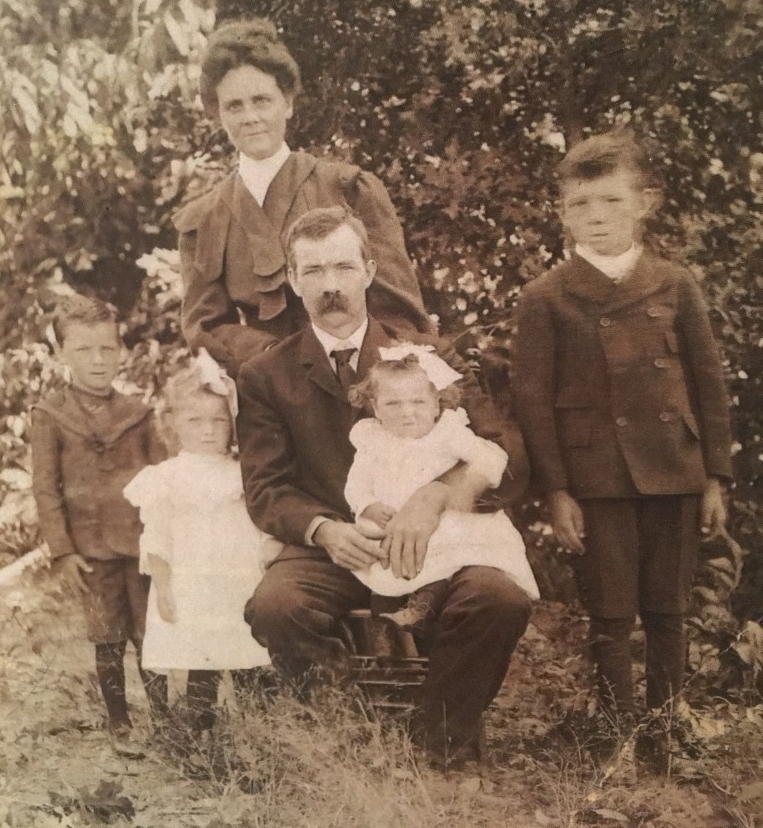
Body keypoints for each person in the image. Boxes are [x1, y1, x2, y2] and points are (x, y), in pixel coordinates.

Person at [237, 206, 533, 770]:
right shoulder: (266, 375)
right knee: (276, 606)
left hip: (438, 540)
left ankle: (438, 741)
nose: (330, 285)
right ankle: (351, 736)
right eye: (314, 271)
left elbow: (507, 449)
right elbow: (266, 487)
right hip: (335, 547)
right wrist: (324, 530)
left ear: (370, 271)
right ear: (293, 281)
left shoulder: (429, 356)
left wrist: (438, 494)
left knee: (499, 598)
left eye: (343, 267)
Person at [511, 130, 733, 777]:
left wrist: (715, 476)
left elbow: (708, 383)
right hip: (597, 478)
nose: (597, 217)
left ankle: (661, 743)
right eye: (581, 204)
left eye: (611, 201)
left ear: (645, 203)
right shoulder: (546, 296)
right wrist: (557, 491)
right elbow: (534, 402)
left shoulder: (675, 284)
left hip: (675, 470)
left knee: (668, 611)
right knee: (610, 617)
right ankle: (615, 745)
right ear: (563, 214)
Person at [175, 17, 432, 378]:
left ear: (288, 103)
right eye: (234, 106)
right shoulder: (205, 219)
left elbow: (400, 315)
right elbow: (206, 327)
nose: (250, 117)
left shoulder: (348, 189)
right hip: (269, 384)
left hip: (365, 377)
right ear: (219, 114)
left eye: (261, 100)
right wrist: (272, 356)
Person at [30, 296, 168, 746]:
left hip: (142, 547)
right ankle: (119, 721)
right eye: (84, 350)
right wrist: (63, 551)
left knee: (150, 634)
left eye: (107, 348)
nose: (97, 360)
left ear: (121, 350)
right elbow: (45, 489)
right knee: (107, 638)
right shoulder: (50, 416)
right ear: (61, 353)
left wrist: (167, 541)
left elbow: (163, 480)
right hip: (90, 551)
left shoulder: (139, 414)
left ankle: (165, 720)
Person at [124, 354, 270, 736]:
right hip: (194, 581)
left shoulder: (243, 472)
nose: (208, 431)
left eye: (218, 421)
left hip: (239, 577)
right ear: (172, 423)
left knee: (245, 649)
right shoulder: (166, 477)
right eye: (195, 421)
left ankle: (258, 731)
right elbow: (157, 535)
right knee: (202, 655)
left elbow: (260, 524)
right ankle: (202, 731)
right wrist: (163, 585)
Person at [344, 348, 539, 626]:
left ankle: (422, 609)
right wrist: (368, 506)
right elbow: (357, 483)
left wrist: (469, 483)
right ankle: (386, 627)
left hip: (448, 524)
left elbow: (492, 456)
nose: (407, 413)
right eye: (392, 404)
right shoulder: (372, 440)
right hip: (393, 523)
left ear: (437, 404)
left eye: (418, 402)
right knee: (384, 563)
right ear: (375, 407)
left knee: (443, 564)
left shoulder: (448, 433)